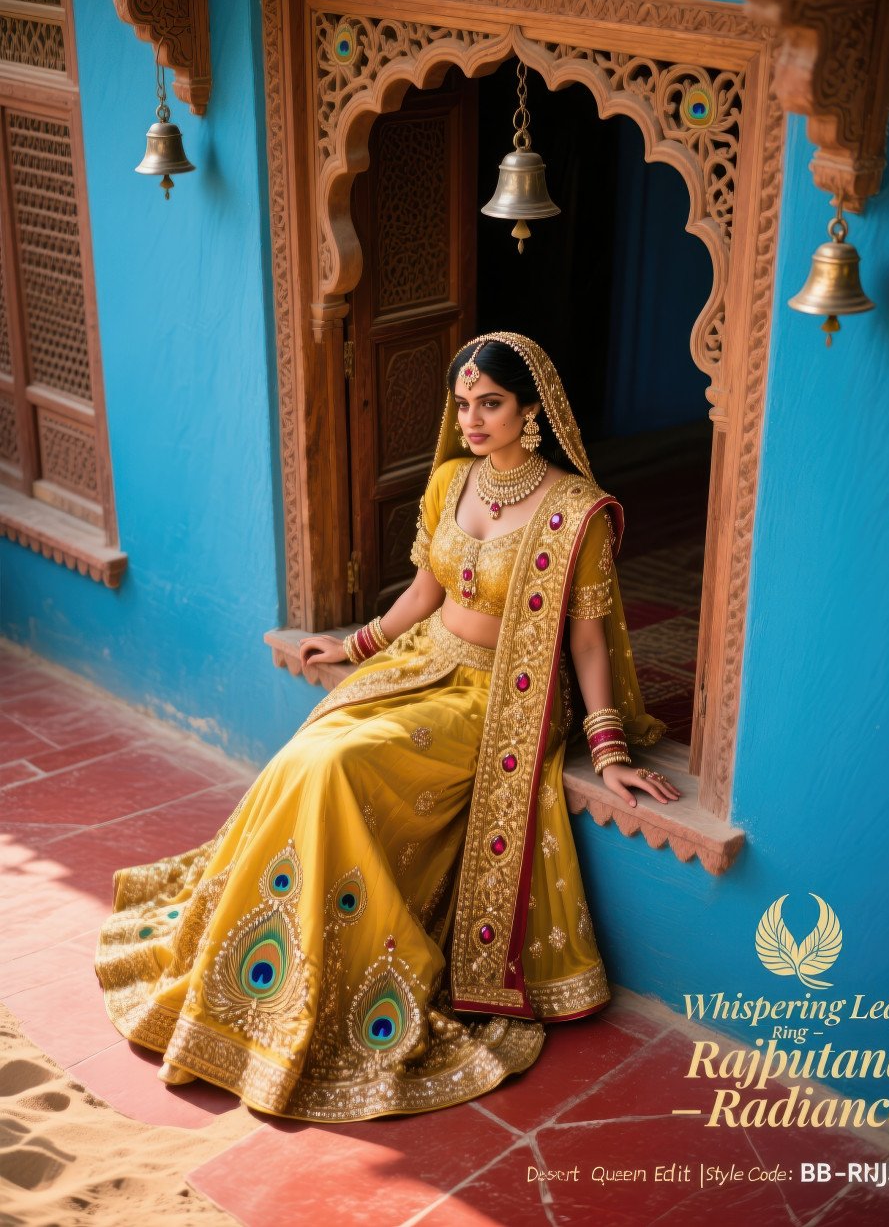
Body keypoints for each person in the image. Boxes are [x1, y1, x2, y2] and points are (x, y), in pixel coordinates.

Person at [94, 331, 678, 1123]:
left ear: (532, 409)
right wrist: (354, 646)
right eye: (463, 404)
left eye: (490, 404)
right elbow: (423, 595)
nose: (472, 420)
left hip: (498, 698)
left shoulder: (577, 514)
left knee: (336, 765)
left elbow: (587, 643)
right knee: (307, 753)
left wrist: (607, 752)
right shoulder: (451, 482)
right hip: (422, 663)